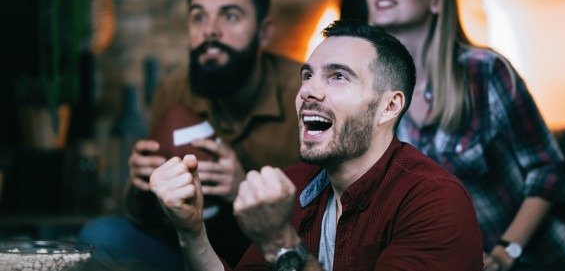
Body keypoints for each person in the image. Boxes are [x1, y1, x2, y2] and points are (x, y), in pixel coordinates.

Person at [149, 19, 484, 271]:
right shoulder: (295, 184)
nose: (309, 91)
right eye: (307, 75)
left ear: (389, 106)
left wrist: (279, 243)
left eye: (338, 76)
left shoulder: (434, 201)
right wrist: (192, 231)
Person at [365, 0, 565, 270]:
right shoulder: (375, 97)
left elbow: (548, 171)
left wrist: (505, 252)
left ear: (437, 0)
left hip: (552, 256)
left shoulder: (484, 71)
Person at [78, 0, 301, 270]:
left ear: (263, 33)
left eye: (230, 15)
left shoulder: (302, 92)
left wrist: (241, 187)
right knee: (100, 234)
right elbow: (145, 218)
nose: (210, 29)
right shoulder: (175, 87)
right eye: (198, 16)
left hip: (267, 254)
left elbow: (326, 221)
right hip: (189, 246)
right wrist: (144, 185)